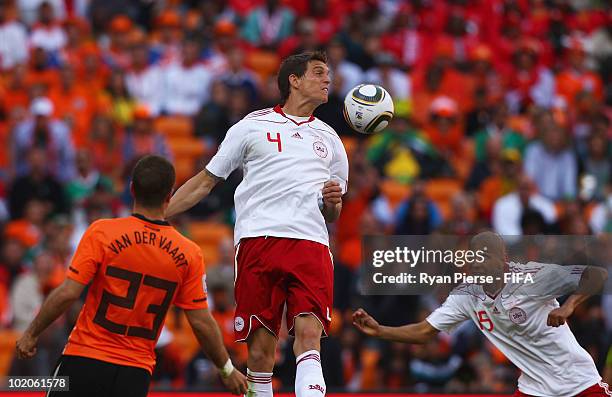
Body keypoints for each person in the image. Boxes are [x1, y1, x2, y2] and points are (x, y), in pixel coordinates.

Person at [166, 51, 349, 397]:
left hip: (310, 242)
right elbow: (206, 180)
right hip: (258, 240)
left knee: (309, 337)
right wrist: (158, 217)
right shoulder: (251, 127)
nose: (328, 80)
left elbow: (333, 213)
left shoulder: (332, 142)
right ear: (294, 80)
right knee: (261, 352)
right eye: (319, 73)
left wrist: (332, 205)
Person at [15, 155, 247, 397]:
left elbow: (68, 293)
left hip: (86, 356)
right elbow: (201, 321)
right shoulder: (189, 253)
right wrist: (227, 369)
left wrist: (31, 334)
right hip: (134, 372)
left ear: (132, 189)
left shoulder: (102, 232)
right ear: (169, 195)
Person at [353, 231, 609, 397]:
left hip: (577, 380)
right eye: (473, 255)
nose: (476, 261)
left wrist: (568, 306)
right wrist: (380, 330)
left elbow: (597, 274)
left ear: (503, 259)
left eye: (484, 255)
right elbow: (424, 331)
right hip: (535, 387)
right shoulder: (466, 295)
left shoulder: (532, 277)